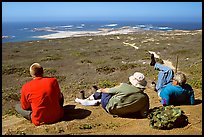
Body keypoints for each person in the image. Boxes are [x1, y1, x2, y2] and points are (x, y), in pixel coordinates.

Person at [75, 72, 149, 118]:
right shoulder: (145, 98)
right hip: (125, 113)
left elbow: (106, 91)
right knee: (114, 94)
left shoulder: (124, 86)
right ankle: (96, 100)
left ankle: (90, 98)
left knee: (103, 91)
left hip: (110, 108)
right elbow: (144, 114)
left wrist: (101, 90)